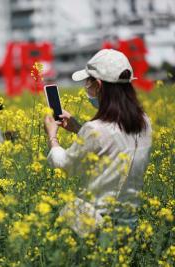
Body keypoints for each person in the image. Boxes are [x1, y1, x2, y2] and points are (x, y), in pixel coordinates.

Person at [43, 49, 152, 235]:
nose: (87, 87)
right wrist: (78, 128)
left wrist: (52, 136)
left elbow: (66, 165)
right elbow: (113, 143)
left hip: (95, 224)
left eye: (88, 82)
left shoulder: (96, 129)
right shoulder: (144, 122)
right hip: (129, 223)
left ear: (99, 85)